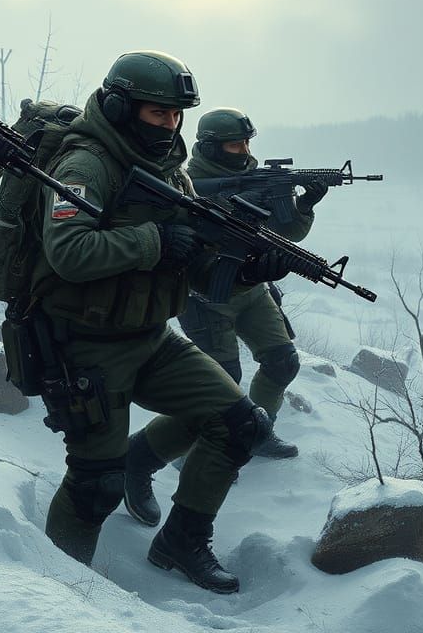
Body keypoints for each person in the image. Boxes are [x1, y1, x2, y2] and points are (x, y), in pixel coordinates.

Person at [29, 54, 291, 594]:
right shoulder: (85, 165)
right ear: (122, 107)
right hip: (85, 344)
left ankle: (181, 541)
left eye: (177, 117)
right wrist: (152, 241)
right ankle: (56, 594)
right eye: (158, 114)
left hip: (152, 338)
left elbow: (194, 265)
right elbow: (69, 252)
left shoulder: (170, 171)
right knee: (96, 484)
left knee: (239, 424)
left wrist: (246, 268)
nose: (170, 126)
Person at [124, 108, 325, 529]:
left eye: (249, 142)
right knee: (220, 390)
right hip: (207, 292)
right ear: (214, 145)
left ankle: (257, 431)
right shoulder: (187, 180)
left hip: (250, 287)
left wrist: (302, 203)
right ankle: (143, 458)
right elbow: (183, 237)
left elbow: (288, 232)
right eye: (237, 144)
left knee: (282, 361)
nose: (246, 151)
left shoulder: (258, 178)